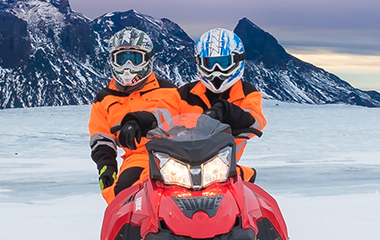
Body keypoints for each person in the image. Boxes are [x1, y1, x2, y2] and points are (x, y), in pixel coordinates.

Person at [87, 27, 188, 202]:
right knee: (122, 199)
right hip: (138, 159)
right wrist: (106, 167)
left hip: (175, 154)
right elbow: (101, 137)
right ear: (112, 61)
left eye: (134, 59)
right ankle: (128, 229)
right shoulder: (105, 99)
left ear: (148, 59)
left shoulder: (170, 92)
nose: (128, 66)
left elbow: (191, 121)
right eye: (121, 59)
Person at [174, 28, 265, 182]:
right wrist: (142, 118)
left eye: (223, 62)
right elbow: (161, 109)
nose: (216, 70)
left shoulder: (247, 93)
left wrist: (227, 111)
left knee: (241, 202)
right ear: (199, 63)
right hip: (179, 164)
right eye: (209, 63)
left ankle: (246, 177)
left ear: (237, 60)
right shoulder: (184, 93)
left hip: (223, 166)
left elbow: (256, 120)